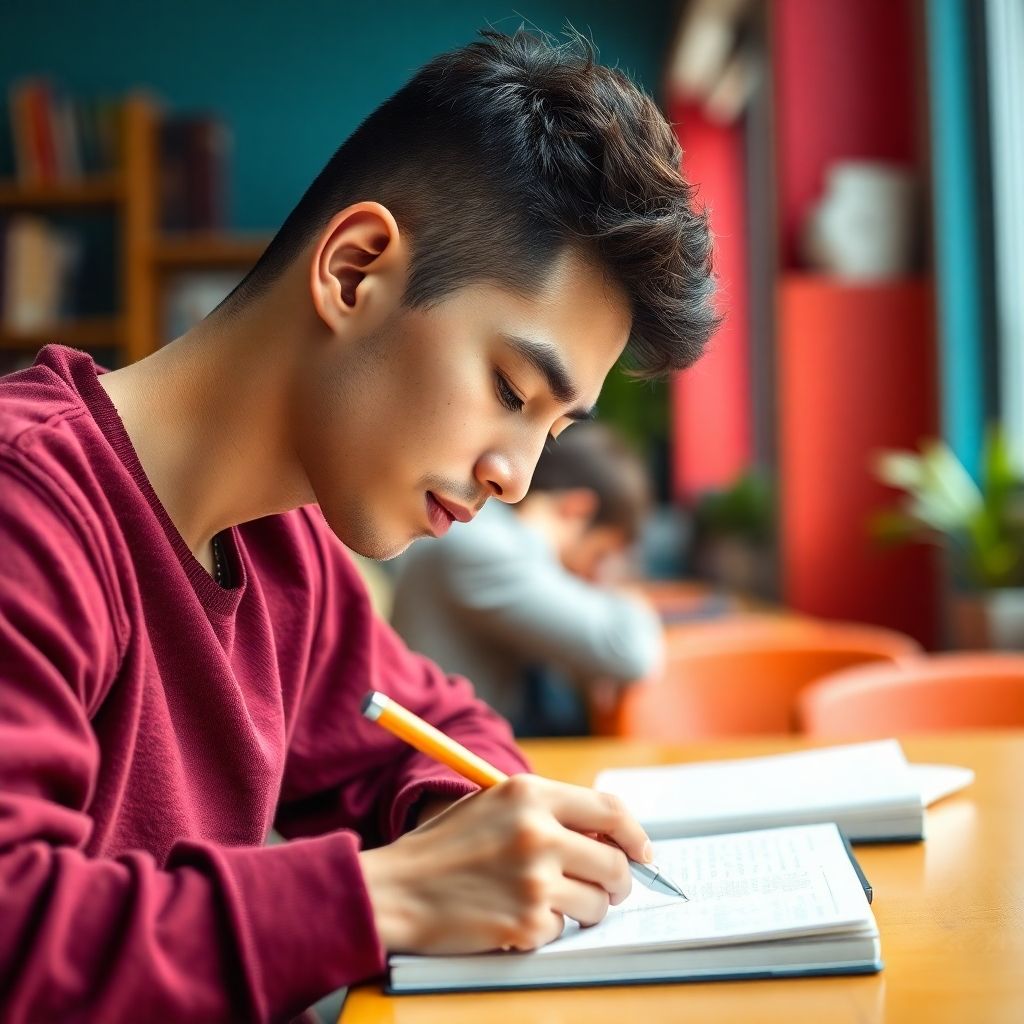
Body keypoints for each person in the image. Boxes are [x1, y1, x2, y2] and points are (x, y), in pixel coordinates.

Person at [0, 29, 717, 1023]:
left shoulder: (282, 544)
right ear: (354, 269)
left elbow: (439, 732)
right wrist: (392, 893)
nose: (514, 479)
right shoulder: (27, 509)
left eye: (553, 429)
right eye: (510, 388)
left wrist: (478, 828)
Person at [391, 421, 664, 735]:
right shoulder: (489, 550)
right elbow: (630, 653)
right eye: (599, 554)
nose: (592, 573)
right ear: (577, 509)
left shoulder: (490, 535)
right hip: (441, 763)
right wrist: (633, 601)